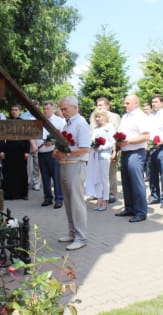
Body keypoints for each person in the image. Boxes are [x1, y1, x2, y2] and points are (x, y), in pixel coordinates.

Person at [53, 96, 90, 251]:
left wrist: (65, 153)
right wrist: (57, 151)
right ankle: (72, 232)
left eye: (65, 109)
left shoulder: (81, 123)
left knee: (76, 202)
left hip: (76, 165)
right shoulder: (67, 125)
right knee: (68, 202)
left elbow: (85, 148)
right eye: (61, 109)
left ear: (75, 107)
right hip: (65, 165)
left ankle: (81, 237)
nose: (63, 112)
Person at [114, 94, 150, 223]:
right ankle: (129, 208)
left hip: (136, 152)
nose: (125, 105)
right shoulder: (125, 116)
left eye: (128, 103)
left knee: (137, 183)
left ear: (136, 103)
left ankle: (141, 212)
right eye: (125, 102)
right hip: (125, 151)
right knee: (126, 182)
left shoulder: (140, 116)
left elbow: (145, 136)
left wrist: (128, 141)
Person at [89, 97, 121, 203]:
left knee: (110, 173)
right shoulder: (94, 117)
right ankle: (98, 193)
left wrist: (115, 151)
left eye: (101, 105)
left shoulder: (114, 117)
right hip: (95, 151)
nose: (99, 107)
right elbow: (91, 132)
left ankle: (112, 194)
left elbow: (116, 135)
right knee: (96, 173)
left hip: (109, 149)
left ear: (108, 106)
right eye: (98, 105)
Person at [35, 100, 66, 209]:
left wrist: (53, 142)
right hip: (41, 152)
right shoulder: (40, 121)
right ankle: (47, 198)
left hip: (53, 153)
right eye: (44, 109)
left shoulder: (59, 121)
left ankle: (59, 199)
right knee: (45, 176)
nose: (46, 111)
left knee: (56, 176)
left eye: (48, 109)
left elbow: (64, 137)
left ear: (53, 109)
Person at [86, 108, 116, 211]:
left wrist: (102, 147)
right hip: (95, 156)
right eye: (96, 117)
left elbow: (112, 141)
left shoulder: (109, 126)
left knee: (104, 179)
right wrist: (93, 146)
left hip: (104, 155)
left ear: (105, 116)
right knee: (97, 179)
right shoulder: (95, 129)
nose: (98, 119)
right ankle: (99, 199)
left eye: (100, 116)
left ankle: (105, 200)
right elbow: (92, 141)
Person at [0, 105, 30, 200]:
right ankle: (9, 194)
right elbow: (2, 137)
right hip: (9, 151)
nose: (14, 111)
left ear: (19, 111)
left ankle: (23, 194)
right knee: (8, 172)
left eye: (16, 110)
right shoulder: (6, 123)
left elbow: (27, 138)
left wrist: (27, 152)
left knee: (22, 172)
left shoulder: (23, 123)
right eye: (12, 110)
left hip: (21, 151)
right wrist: (1, 151)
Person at [20, 100, 41, 191]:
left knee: (37, 163)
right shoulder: (23, 116)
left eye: (35, 105)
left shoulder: (40, 115)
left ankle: (36, 183)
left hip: (37, 141)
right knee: (27, 163)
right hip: (26, 142)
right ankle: (27, 180)